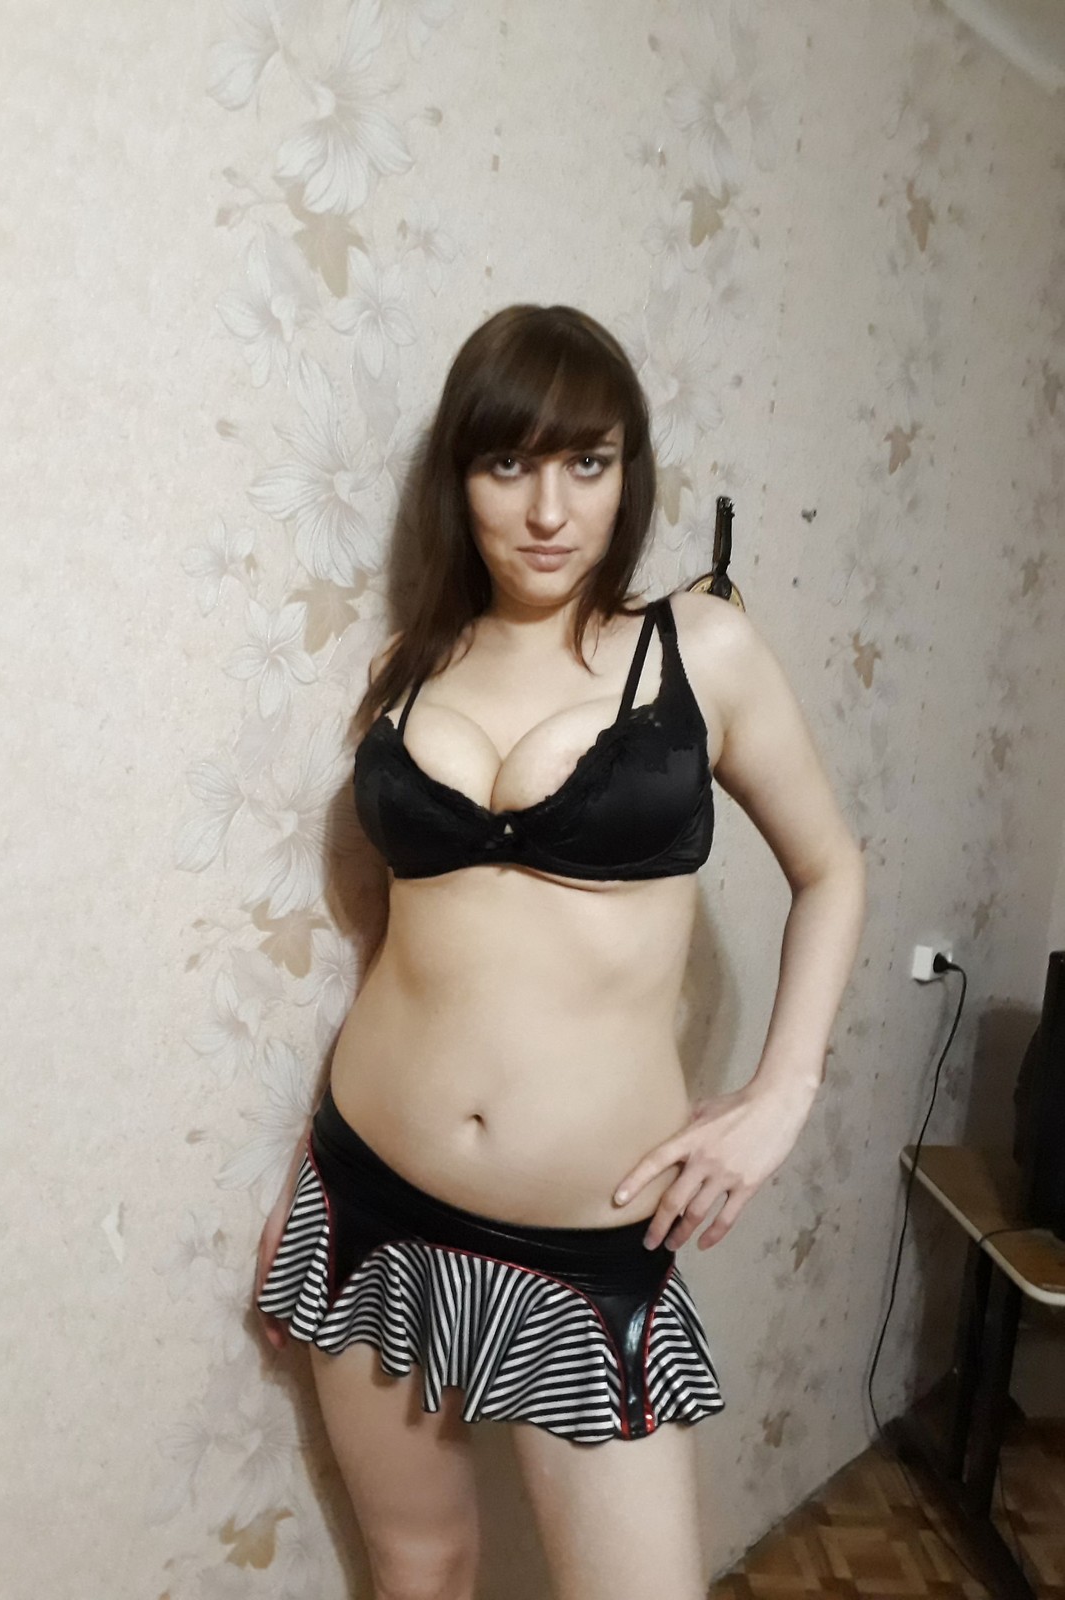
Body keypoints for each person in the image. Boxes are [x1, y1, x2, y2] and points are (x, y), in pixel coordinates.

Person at [254, 303, 867, 1600]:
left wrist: (783, 1091)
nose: (549, 510)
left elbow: (832, 869)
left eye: (587, 463)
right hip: (368, 1197)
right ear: (459, 480)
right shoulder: (407, 668)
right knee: (418, 1567)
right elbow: (414, 948)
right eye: (508, 463)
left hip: (585, 1247)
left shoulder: (701, 650)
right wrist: (310, 1179)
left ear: (629, 474)